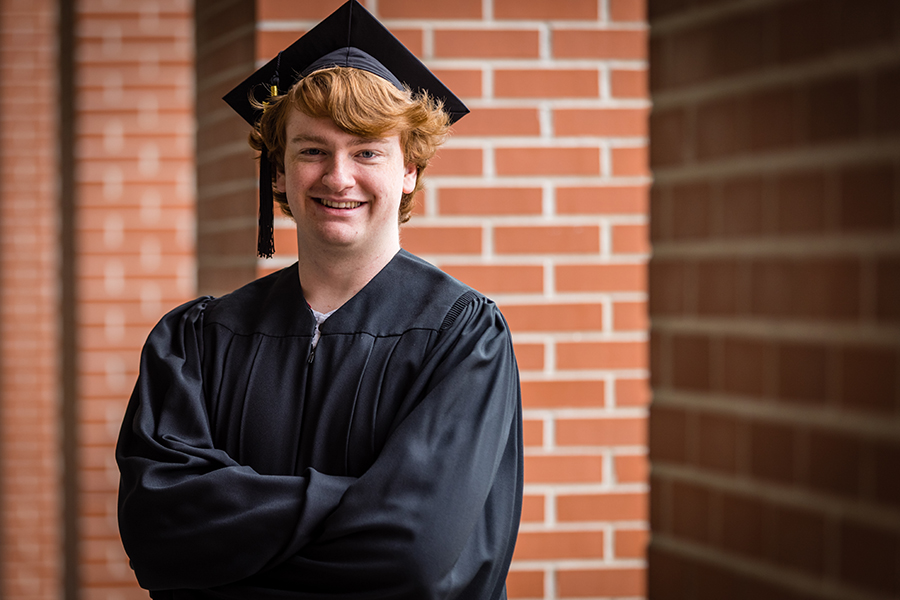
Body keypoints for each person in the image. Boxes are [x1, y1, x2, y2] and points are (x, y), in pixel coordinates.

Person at [115, 2, 524, 598]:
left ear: (408, 168)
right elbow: (157, 531)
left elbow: (415, 555)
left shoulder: (462, 337)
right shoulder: (199, 339)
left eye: (367, 151)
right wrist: (355, 503)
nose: (338, 176)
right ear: (278, 170)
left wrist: (231, 556)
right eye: (312, 150)